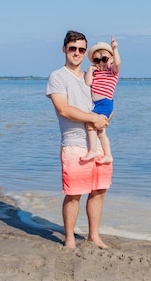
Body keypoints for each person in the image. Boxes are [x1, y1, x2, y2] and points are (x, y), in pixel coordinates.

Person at [45, 30, 113, 249]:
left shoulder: (89, 77)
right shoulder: (58, 76)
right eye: (72, 48)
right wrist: (93, 118)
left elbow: (102, 100)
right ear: (64, 49)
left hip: (97, 143)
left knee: (99, 191)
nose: (76, 53)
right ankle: (70, 239)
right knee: (73, 194)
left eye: (81, 49)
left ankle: (94, 236)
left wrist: (105, 117)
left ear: (86, 52)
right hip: (74, 144)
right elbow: (63, 109)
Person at [81, 36, 121, 164]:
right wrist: (90, 69)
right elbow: (87, 83)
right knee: (101, 131)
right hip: (96, 104)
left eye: (104, 59)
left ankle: (93, 150)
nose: (101, 63)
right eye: (97, 60)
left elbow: (118, 63)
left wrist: (115, 48)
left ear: (111, 59)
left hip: (105, 103)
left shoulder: (112, 71)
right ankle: (108, 154)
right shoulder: (95, 72)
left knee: (90, 124)